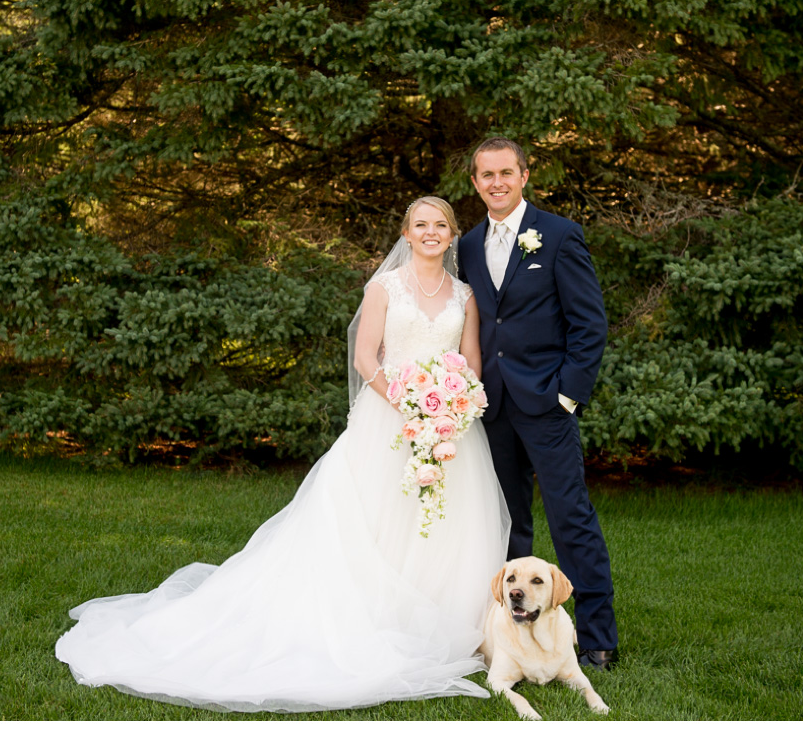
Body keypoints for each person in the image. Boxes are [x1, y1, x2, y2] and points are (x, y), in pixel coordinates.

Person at [55, 197, 510, 713]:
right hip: (389, 418)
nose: (431, 233)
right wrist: (408, 405)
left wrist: (452, 402)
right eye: (421, 225)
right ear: (406, 233)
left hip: (449, 425)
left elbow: (469, 358)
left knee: (447, 525)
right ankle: (379, 619)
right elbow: (366, 357)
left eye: (441, 226)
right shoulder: (384, 287)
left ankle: (446, 625)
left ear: (452, 235)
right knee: (378, 519)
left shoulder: (466, 295)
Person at [456, 137, 618, 670]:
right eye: (486, 175)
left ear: (524, 175)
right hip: (493, 405)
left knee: (570, 517)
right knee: (507, 524)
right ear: (475, 182)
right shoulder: (469, 245)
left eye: (506, 172)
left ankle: (596, 637)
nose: (496, 182)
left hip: (548, 404)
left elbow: (589, 324)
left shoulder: (558, 235)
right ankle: (510, 635)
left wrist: (568, 394)